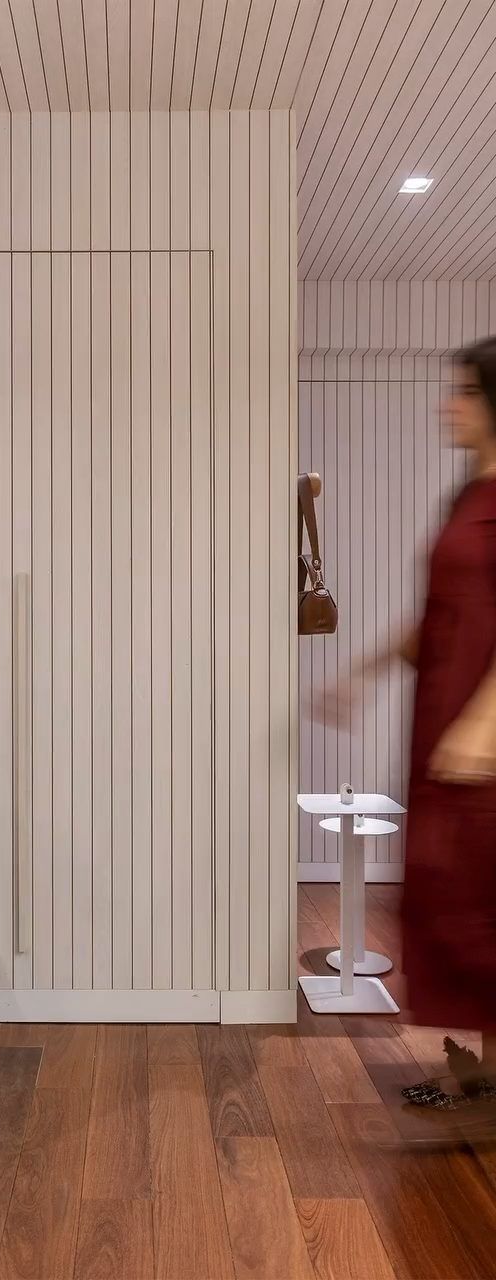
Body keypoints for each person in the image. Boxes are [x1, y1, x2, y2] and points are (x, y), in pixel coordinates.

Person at [323, 337, 496, 1113]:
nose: (447, 405)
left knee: (478, 902)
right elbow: (437, 618)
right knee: (447, 893)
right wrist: (363, 672)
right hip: (442, 721)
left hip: (480, 739)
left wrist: (484, 724)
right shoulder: (467, 498)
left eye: (465, 392)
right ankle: (482, 1073)